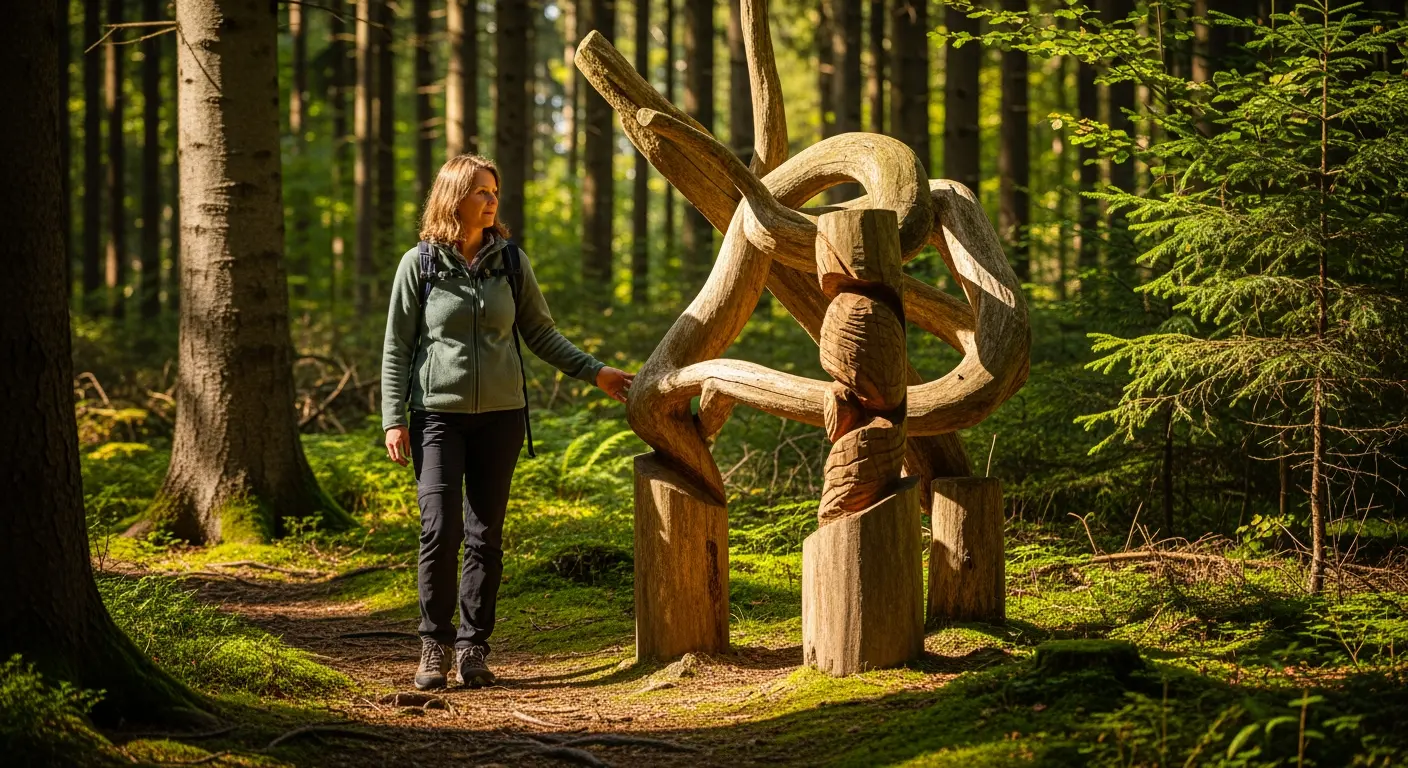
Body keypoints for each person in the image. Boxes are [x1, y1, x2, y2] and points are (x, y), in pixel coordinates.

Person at [381, 154, 633, 690]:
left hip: (501, 420)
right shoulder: (419, 265)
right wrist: (392, 419)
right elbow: (397, 348)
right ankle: (433, 646)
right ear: (454, 198)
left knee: (484, 535)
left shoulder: (511, 262)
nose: (492, 200)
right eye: (481, 192)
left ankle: (473, 649)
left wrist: (596, 372)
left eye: (494, 191)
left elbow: (541, 333)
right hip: (436, 420)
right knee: (438, 529)